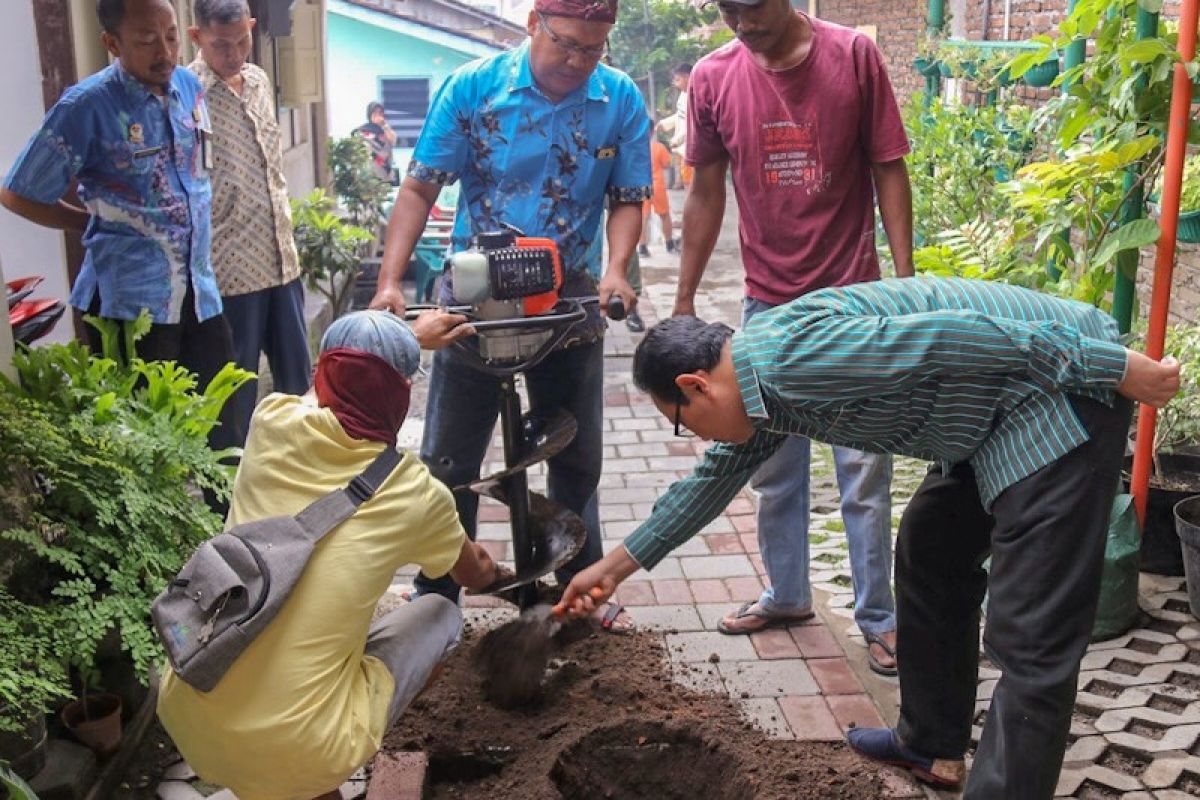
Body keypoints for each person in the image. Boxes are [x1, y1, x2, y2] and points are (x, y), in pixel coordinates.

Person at [556, 276, 1182, 798]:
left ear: (696, 385)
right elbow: (711, 481)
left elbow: (958, 338)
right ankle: (931, 745)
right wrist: (612, 569)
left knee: (1031, 636)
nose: (693, 438)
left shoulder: (789, 363)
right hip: (987, 420)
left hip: (1055, 396)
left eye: (680, 424)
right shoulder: (760, 388)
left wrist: (1117, 367)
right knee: (931, 546)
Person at [369, 0, 651, 631]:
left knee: (576, 457)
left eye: (593, 49)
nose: (579, 61)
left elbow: (629, 198)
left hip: (568, 298)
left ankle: (577, 589)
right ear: (533, 24)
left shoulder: (621, 99)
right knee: (448, 459)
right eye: (567, 44)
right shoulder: (473, 88)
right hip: (475, 300)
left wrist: (616, 269)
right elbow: (420, 185)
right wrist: (391, 280)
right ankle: (438, 591)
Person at [157, 309, 499, 800]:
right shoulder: (416, 493)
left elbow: (327, 386)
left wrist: (401, 340)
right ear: (401, 394)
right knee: (441, 613)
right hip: (306, 747)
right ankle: (313, 767)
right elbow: (474, 572)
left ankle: (286, 779)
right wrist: (507, 573)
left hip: (192, 712)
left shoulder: (270, 420)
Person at [674, 0, 914, 676]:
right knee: (773, 464)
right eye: (726, 9)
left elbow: (888, 165)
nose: (740, 23)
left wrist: (904, 282)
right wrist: (686, 298)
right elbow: (705, 191)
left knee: (863, 470)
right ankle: (786, 594)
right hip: (768, 307)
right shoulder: (715, 77)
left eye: (750, 8)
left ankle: (879, 619)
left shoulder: (853, 58)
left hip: (854, 303)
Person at [0, 0, 240, 450]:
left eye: (170, 35)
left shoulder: (188, 87)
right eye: (147, 40)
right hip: (129, 306)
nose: (165, 51)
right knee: (144, 450)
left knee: (223, 436)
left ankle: (227, 522)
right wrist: (86, 224)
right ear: (111, 43)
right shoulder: (86, 106)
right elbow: (18, 192)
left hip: (201, 295)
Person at [189, 0, 312, 447]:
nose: (234, 52)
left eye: (242, 40)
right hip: (230, 271)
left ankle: (299, 474)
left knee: (297, 387)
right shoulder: (187, 92)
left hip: (282, 261)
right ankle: (232, 498)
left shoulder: (259, 80)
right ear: (197, 36)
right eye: (221, 44)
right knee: (233, 395)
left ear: (253, 27)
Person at [638, 125, 676, 259]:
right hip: (657, 185)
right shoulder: (658, 147)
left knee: (643, 216)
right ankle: (669, 244)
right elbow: (667, 164)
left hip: (642, 184)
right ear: (652, 131)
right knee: (664, 215)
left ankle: (642, 247)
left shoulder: (636, 147)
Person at [356, 101, 398, 183]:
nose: (378, 115)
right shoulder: (363, 131)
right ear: (369, 115)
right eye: (375, 113)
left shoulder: (386, 130)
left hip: (386, 173)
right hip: (370, 174)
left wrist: (384, 126)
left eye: (380, 112)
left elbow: (393, 141)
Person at [669, 63, 693, 189]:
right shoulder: (683, 94)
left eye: (678, 79)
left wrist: (678, 140)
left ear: (688, 77)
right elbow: (680, 116)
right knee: (686, 180)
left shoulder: (694, 95)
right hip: (682, 147)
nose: (675, 83)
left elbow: (692, 123)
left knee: (691, 183)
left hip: (690, 147)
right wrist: (665, 124)